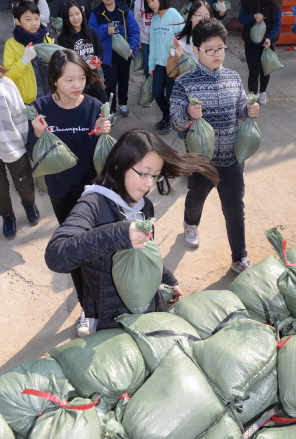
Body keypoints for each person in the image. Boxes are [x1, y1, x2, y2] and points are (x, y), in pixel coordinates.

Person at [44, 129, 218, 335]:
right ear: (119, 165)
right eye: (143, 173)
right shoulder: (92, 204)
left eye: (155, 176)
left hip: (147, 302)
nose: (149, 183)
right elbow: (56, 255)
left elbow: (145, 252)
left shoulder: (145, 206)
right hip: (110, 316)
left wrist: (167, 279)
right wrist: (118, 234)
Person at [26, 49, 111, 331]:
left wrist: (102, 132)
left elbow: (101, 154)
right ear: (54, 81)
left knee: (98, 246)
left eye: (81, 78)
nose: (77, 85)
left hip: (93, 189)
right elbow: (32, 151)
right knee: (75, 249)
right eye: (69, 79)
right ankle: (88, 308)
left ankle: (105, 298)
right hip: (61, 191)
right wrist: (37, 135)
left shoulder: (95, 105)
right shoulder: (40, 108)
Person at [170, 18, 260, 273]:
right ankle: (190, 222)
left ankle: (239, 256)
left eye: (220, 48)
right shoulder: (184, 83)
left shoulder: (233, 78)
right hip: (201, 161)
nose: (216, 54)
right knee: (196, 197)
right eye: (210, 49)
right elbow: (175, 120)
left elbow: (240, 109)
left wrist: (249, 109)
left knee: (235, 209)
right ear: (197, 50)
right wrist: (188, 111)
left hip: (232, 159)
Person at [0, 62, 40, 240]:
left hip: (12, 144)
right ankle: (7, 216)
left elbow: (20, 115)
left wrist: (28, 142)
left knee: (24, 182)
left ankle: (29, 204)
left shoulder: (6, 84)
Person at [89, 0, 140, 117]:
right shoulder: (96, 13)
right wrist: (105, 29)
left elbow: (134, 30)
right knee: (110, 83)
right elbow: (91, 32)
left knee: (124, 80)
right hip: (107, 56)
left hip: (124, 53)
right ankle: (111, 109)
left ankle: (123, 104)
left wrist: (132, 48)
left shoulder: (124, 10)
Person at [239, 0, 282, 104]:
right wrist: (253, 17)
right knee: (253, 71)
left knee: (265, 70)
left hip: (267, 43)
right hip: (251, 43)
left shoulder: (273, 1)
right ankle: (252, 97)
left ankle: (263, 92)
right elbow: (241, 19)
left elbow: (277, 24)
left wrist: (270, 38)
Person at [146, 0, 184, 134]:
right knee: (156, 93)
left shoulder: (174, 14)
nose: (151, 4)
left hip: (173, 64)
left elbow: (183, 38)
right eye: (148, 2)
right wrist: (151, 65)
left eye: (153, 0)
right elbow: (153, 43)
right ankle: (166, 116)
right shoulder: (154, 19)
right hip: (160, 64)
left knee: (171, 96)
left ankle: (173, 122)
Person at [3, 1, 53, 104]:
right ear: (17, 21)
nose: (34, 23)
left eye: (37, 18)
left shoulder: (46, 39)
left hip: (53, 97)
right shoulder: (11, 44)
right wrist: (24, 60)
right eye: (28, 19)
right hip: (28, 102)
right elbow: (8, 76)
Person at [57, 1, 107, 103]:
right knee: (84, 107)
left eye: (77, 13)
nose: (75, 18)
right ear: (66, 18)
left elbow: (100, 52)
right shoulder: (63, 38)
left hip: (93, 76)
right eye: (71, 15)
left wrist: (97, 60)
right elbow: (66, 61)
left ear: (82, 14)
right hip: (77, 80)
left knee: (103, 103)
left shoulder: (91, 32)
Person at [166, 0, 214, 80]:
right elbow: (171, 72)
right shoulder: (179, 42)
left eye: (206, 16)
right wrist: (176, 58)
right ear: (191, 17)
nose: (202, 19)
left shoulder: (214, 42)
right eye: (199, 15)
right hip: (185, 88)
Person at [133, 0, 154, 79]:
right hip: (145, 40)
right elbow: (137, 23)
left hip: (159, 38)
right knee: (147, 66)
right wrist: (137, 41)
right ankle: (149, 91)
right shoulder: (137, 2)